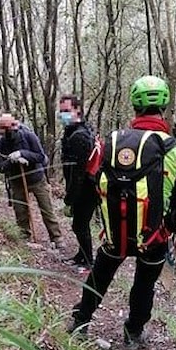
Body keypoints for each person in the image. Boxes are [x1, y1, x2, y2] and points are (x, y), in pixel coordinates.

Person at [67, 75, 176, 349]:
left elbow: (92, 178)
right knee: (144, 283)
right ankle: (133, 332)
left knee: (100, 275)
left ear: (134, 107)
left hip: (115, 232)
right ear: (164, 107)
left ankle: (81, 321)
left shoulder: (110, 141)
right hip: (154, 235)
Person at [0, 113, 62, 246]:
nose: (9, 132)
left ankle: (56, 237)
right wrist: (11, 160)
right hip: (16, 181)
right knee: (20, 211)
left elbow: (41, 157)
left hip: (37, 178)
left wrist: (23, 154)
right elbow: (1, 167)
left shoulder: (29, 136)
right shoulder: (0, 144)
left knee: (46, 209)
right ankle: (24, 237)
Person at [59, 95, 99, 269]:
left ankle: (88, 260)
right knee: (79, 224)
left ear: (78, 111)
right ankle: (81, 256)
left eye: (67, 111)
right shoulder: (76, 131)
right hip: (84, 188)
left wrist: (70, 198)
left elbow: (78, 172)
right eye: (61, 111)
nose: (63, 115)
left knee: (80, 224)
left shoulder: (80, 136)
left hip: (86, 189)